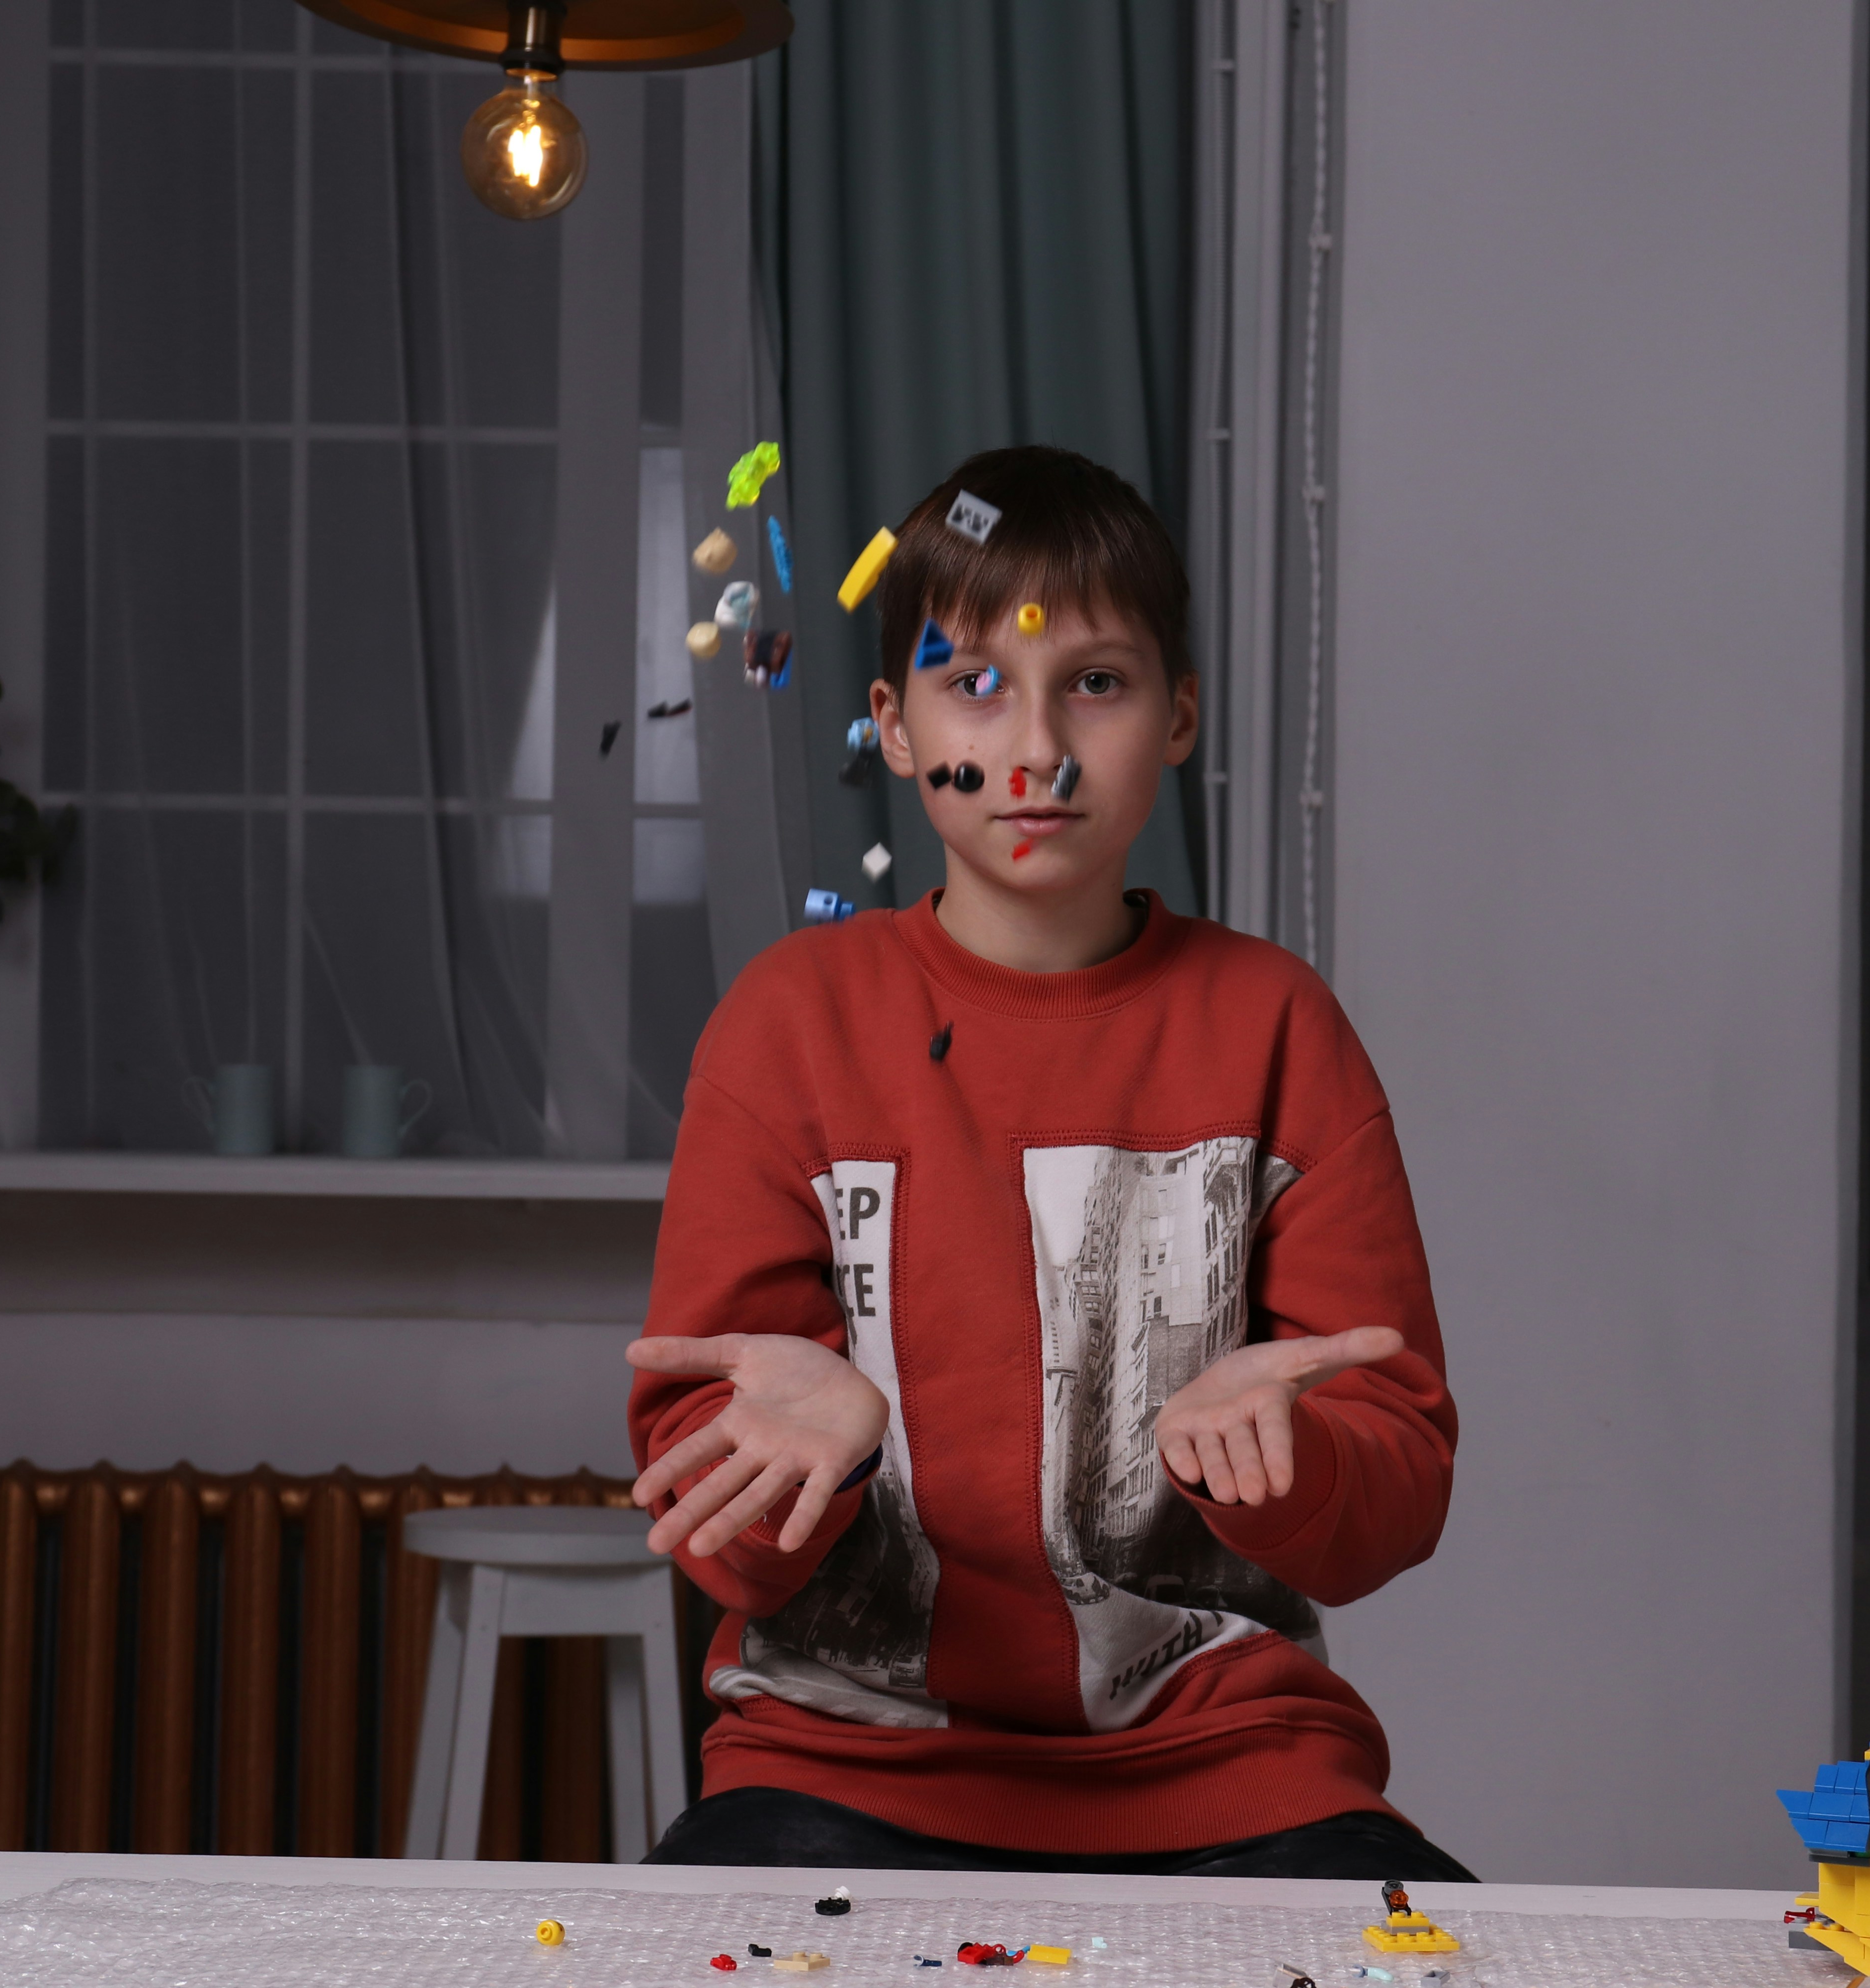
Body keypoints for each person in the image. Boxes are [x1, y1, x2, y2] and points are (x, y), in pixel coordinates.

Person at [627, 445, 1467, 1880]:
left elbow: (1395, 1490)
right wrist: (808, 1466)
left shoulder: (1276, 1027)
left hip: (1233, 1769)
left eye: (1096, 683)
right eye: (973, 685)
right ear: (894, 729)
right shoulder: (790, 1026)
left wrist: (1292, 1456)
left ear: (1179, 715)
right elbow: (712, 1530)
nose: (1035, 750)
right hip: (840, 1767)